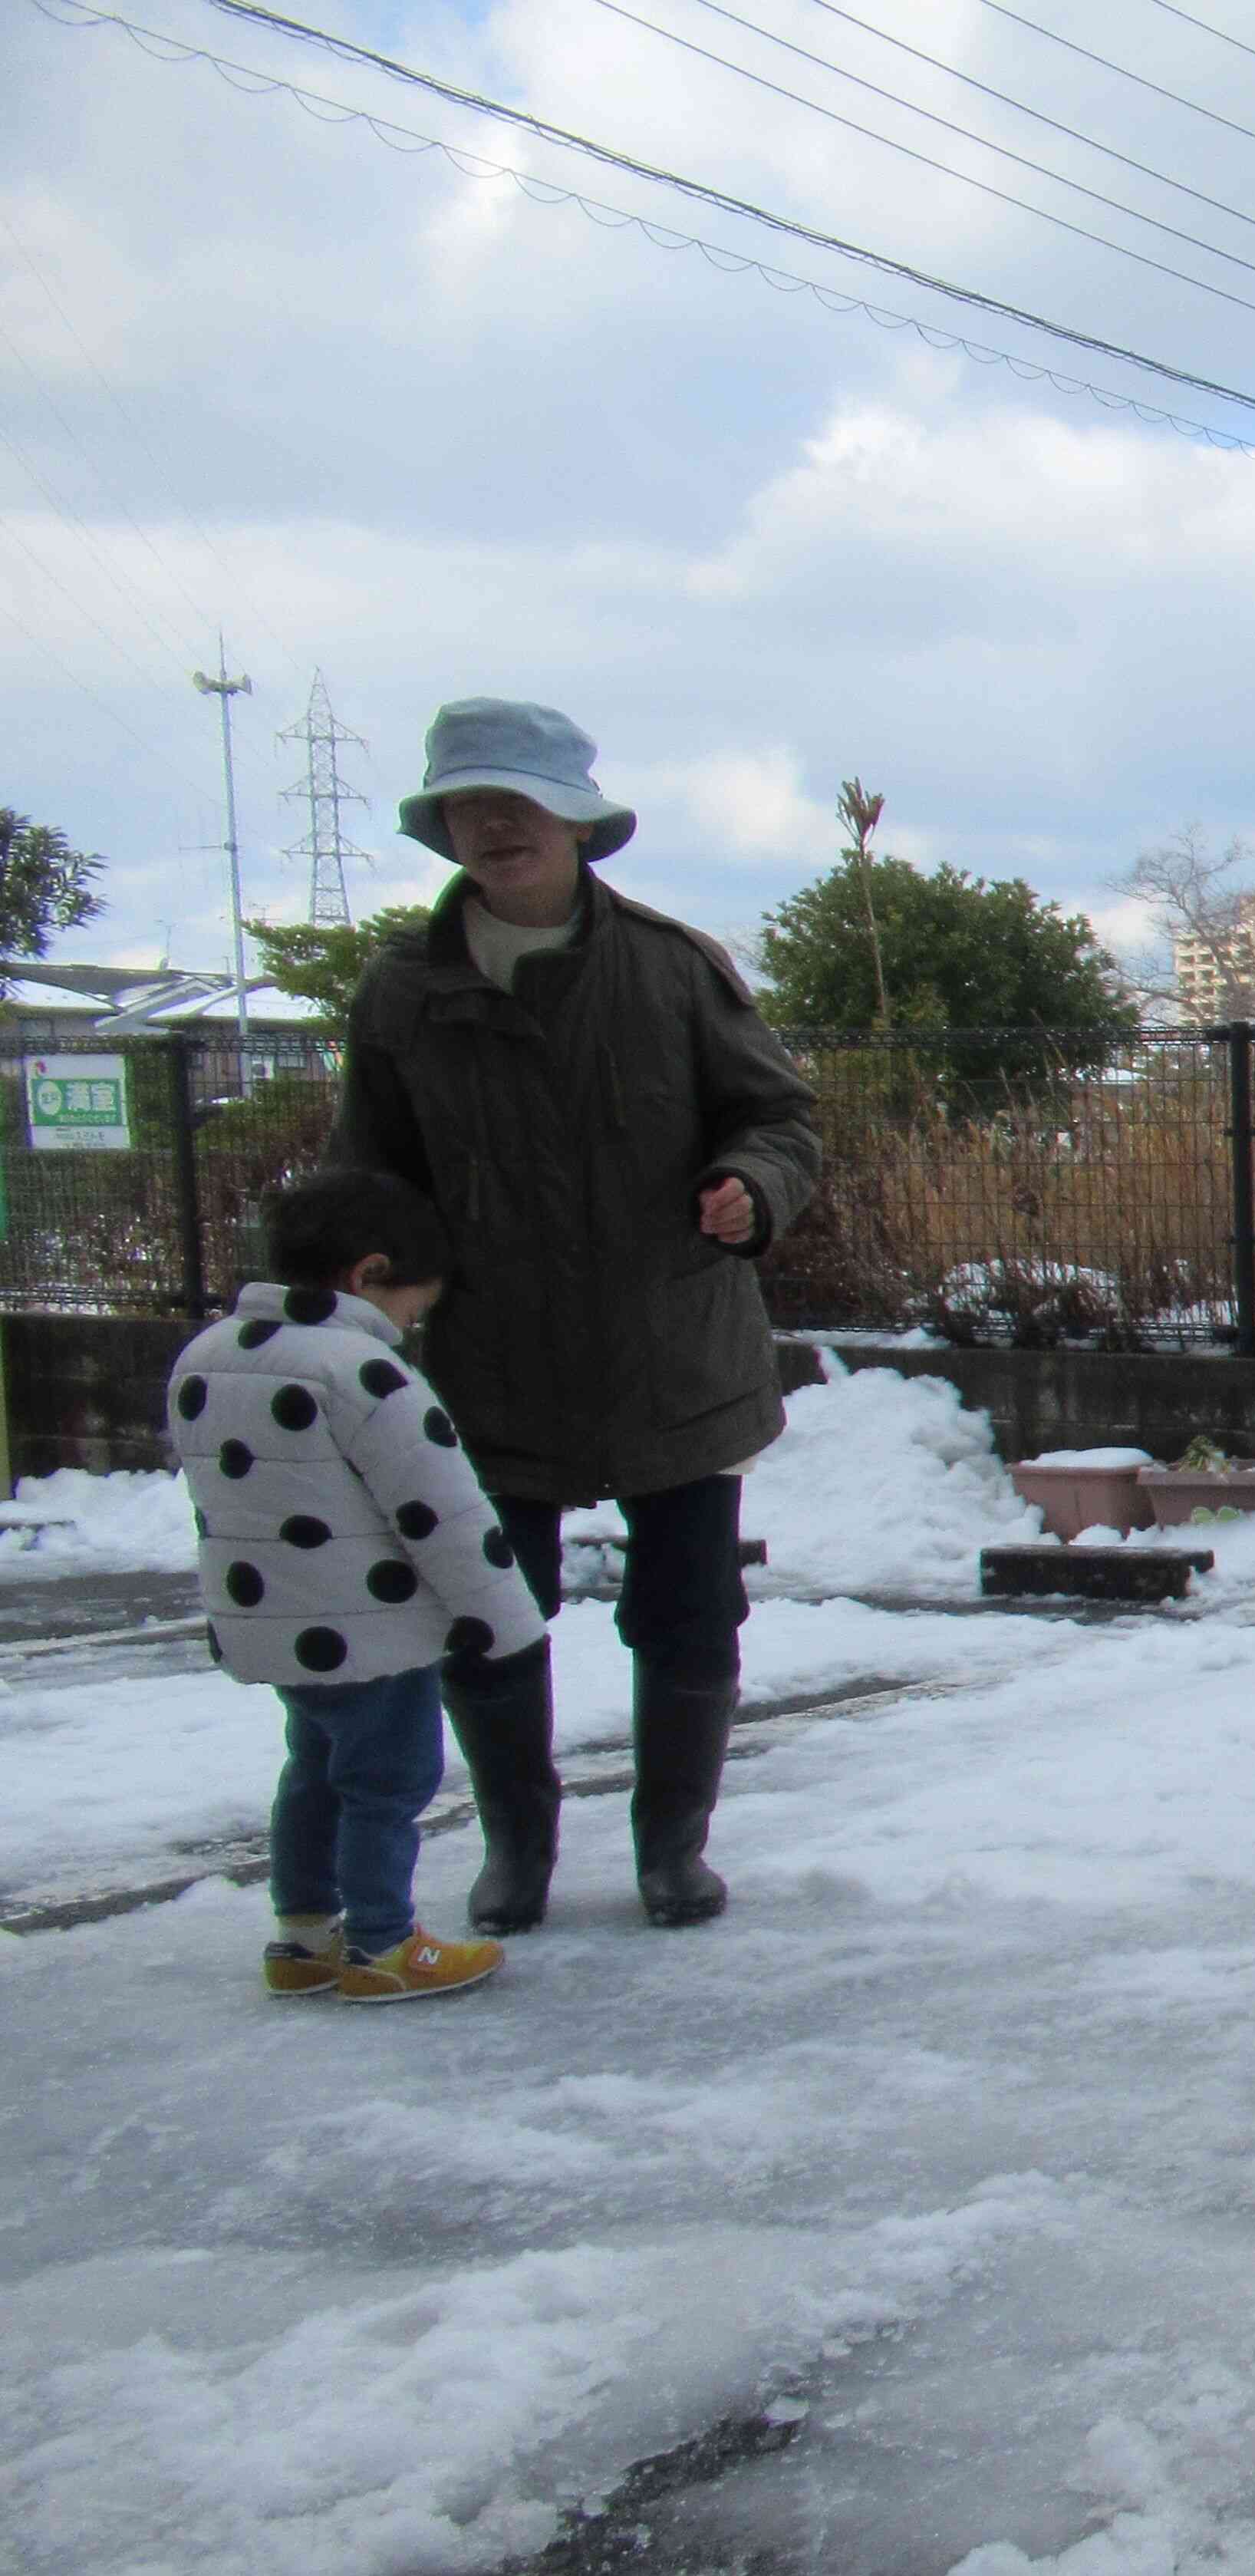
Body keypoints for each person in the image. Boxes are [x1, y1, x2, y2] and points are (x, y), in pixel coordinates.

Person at [329, 698, 822, 1931]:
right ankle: (519, 1854)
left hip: (676, 1351)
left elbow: (780, 1117)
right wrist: (350, 1290)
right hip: (492, 1366)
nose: (495, 823)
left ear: (576, 824)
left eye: (519, 802)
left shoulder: (669, 968)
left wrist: (752, 1190)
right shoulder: (400, 994)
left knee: (690, 1612)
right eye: (470, 804)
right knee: (489, 1618)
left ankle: (672, 1850)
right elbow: (367, 1180)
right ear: (445, 829)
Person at [165, 1170, 553, 2004]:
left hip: (275, 1627)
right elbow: (445, 1515)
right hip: (373, 1632)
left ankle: (303, 1937)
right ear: (367, 1274)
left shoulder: (208, 1355)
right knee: (388, 1783)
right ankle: (382, 1941)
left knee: (312, 1772)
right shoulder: (362, 1373)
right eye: (412, 1308)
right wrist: (508, 1628)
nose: (409, 1327)